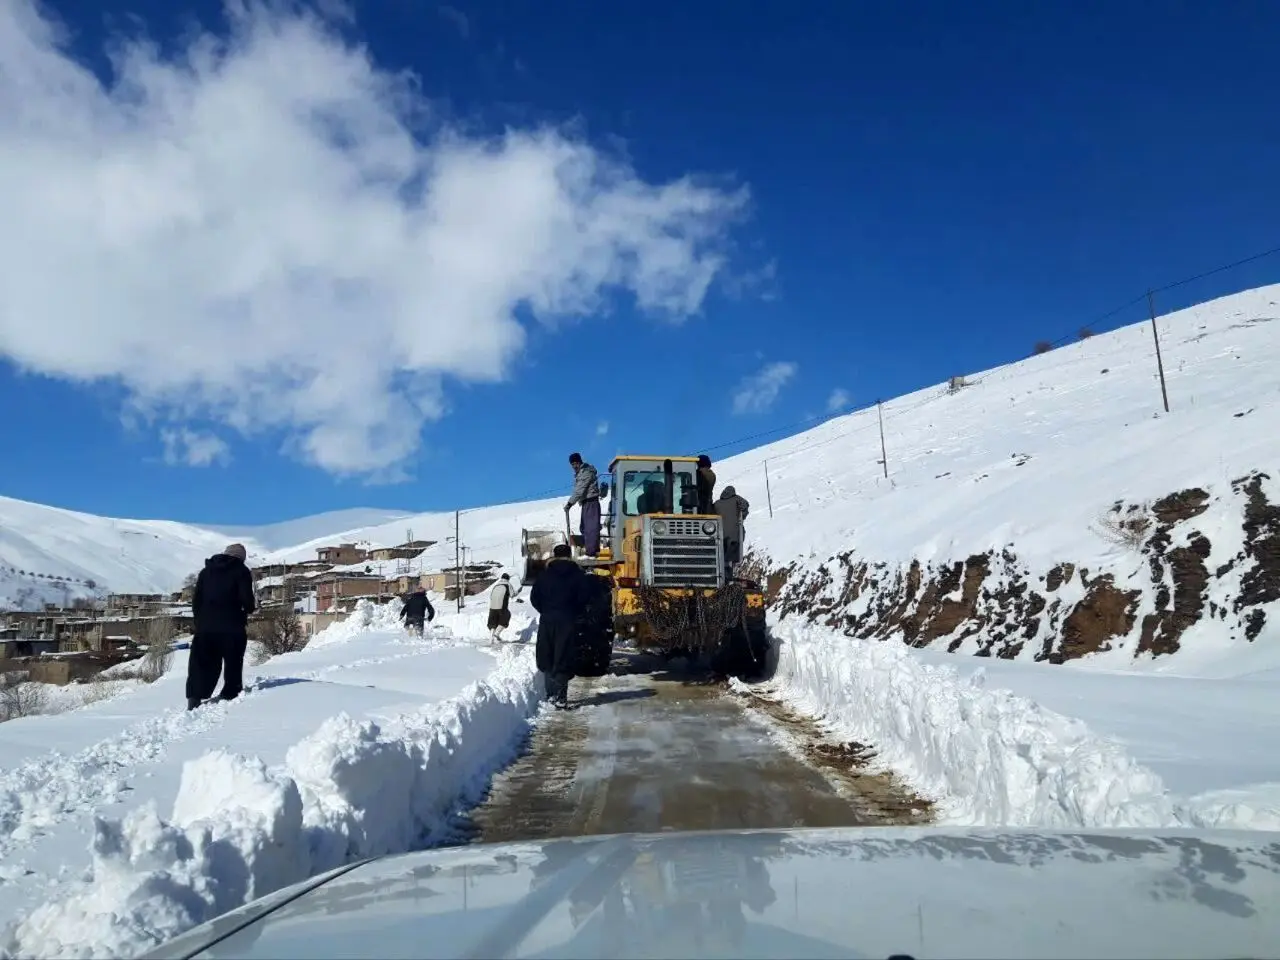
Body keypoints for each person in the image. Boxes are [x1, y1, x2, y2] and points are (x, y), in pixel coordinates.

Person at [187, 543, 256, 710]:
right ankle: (230, 691)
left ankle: (195, 697)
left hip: (205, 627)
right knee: (233, 660)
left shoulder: (206, 572)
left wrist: (200, 621)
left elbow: (196, 600)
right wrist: (249, 609)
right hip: (232, 626)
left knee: (201, 662)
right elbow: (246, 599)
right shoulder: (241, 571)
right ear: (241, 557)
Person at [529, 543, 590, 708]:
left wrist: (545, 610)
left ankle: (550, 694)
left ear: (554, 556)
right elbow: (585, 597)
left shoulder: (544, 575)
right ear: (569, 555)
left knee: (547, 654)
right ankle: (561, 697)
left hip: (548, 620)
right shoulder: (578, 575)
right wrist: (575, 613)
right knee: (563, 655)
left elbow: (534, 598)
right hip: (568, 621)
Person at [565, 452, 602, 557]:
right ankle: (590, 549)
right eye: (572, 465)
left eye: (574, 464)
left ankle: (591, 552)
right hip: (586, 502)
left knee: (590, 528)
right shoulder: (580, 473)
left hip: (591, 502)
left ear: (578, 462)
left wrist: (570, 503)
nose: (573, 467)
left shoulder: (586, 472)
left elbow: (580, 489)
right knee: (584, 527)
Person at [713, 485, 751, 579]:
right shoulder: (736, 499)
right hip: (734, 536)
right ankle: (728, 574)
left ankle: (721, 573)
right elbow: (746, 504)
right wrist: (743, 515)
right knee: (731, 558)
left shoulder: (717, 503)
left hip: (719, 535)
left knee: (721, 555)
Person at [487, 573, 516, 642]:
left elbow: (490, 596)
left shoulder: (496, 585)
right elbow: (512, 594)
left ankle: (492, 633)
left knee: (493, 621)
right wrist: (518, 591)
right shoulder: (508, 584)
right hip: (501, 606)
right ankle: (497, 633)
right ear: (508, 579)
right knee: (506, 616)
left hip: (492, 607)